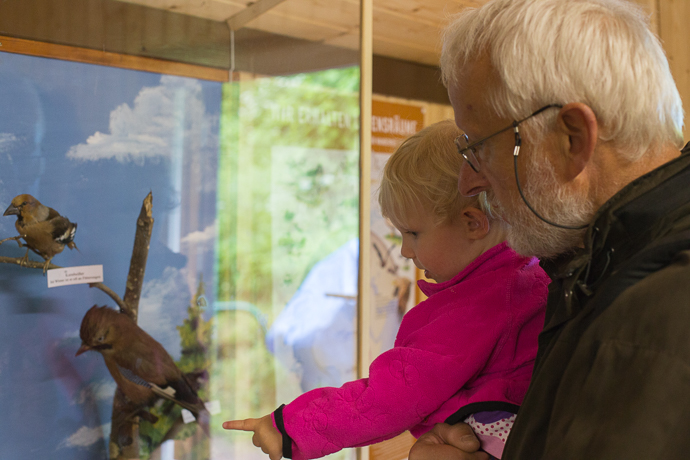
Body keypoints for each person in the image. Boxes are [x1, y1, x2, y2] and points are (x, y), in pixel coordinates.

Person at [410, 0, 690, 459]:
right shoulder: (597, 266)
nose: (467, 184)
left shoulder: (663, 309)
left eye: (479, 147)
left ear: (572, 138)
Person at [223, 120, 549, 460]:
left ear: (472, 223)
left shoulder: (480, 305)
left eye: (413, 234)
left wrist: (291, 427)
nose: (406, 251)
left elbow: (392, 396)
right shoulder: (531, 275)